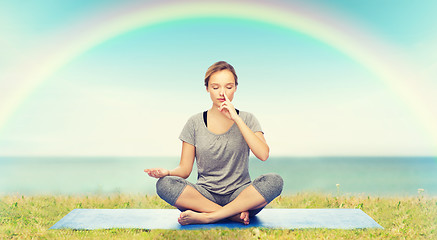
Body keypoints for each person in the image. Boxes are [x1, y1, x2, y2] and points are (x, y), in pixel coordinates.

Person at [144, 61, 283, 225]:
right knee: (164, 185)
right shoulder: (194, 122)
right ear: (207, 88)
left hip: (241, 196)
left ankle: (209, 216)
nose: (222, 93)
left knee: (275, 181)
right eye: (216, 87)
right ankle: (232, 215)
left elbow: (263, 154)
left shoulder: (247, 119)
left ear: (236, 88)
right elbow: (185, 169)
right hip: (204, 195)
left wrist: (236, 118)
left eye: (229, 87)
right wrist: (166, 172)